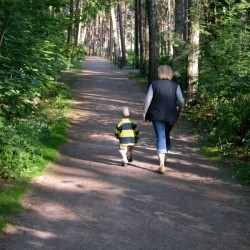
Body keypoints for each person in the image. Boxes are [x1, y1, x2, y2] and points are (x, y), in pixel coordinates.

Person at [142, 65, 185, 174]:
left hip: (156, 115)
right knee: (166, 135)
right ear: (170, 73)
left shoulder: (154, 84)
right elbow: (181, 101)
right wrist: (180, 111)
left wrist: (144, 112)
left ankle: (161, 164)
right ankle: (164, 156)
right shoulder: (176, 86)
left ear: (159, 73)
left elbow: (147, 100)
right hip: (171, 115)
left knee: (161, 136)